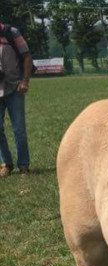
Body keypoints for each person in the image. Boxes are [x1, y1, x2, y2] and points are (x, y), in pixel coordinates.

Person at [0, 22, 32, 177]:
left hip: (15, 88)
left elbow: (26, 56)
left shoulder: (11, 32)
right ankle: (6, 163)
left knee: (19, 129)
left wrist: (25, 80)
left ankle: (23, 165)